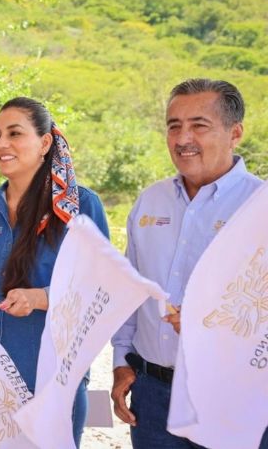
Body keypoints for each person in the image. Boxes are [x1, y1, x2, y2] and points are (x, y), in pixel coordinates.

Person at [111, 78, 267, 448]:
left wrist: (214, 329)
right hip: (152, 396)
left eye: (199, 125)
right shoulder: (150, 201)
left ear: (235, 133)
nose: (183, 139)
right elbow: (131, 289)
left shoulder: (261, 207)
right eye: (173, 126)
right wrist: (121, 362)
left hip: (234, 397)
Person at [0, 97, 109, 446]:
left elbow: (101, 288)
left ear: (45, 143)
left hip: (54, 373)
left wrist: (42, 297)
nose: (1, 144)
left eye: (15, 133)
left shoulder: (79, 206)